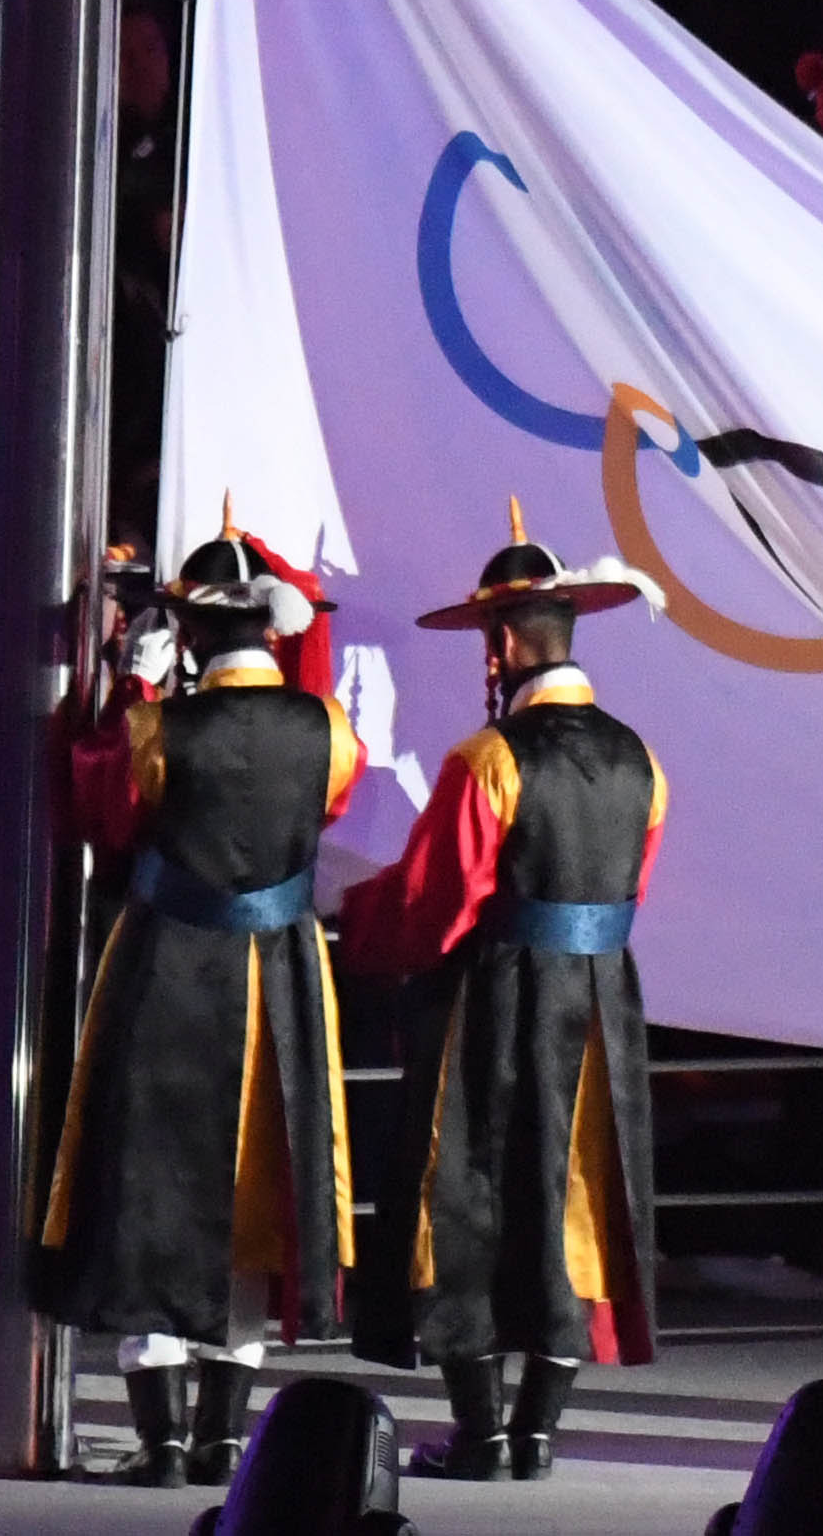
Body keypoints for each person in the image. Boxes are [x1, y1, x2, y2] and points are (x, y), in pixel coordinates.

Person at [337, 521, 669, 1482]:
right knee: (574, 1197)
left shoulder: (490, 758)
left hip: (498, 1000)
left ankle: (480, 1434)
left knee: (471, 1192)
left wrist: (356, 923)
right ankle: (536, 1434)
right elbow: (629, 886)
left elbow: (438, 906)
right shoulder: (642, 761)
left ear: (503, 646)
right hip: (600, 1007)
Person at [39, 530, 356, 1486]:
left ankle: (164, 1436)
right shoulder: (330, 729)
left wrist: (133, 696)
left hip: (172, 962)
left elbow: (104, 814)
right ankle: (225, 1432)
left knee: (154, 1182)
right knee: (258, 1187)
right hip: (282, 971)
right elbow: (324, 813)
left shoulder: (157, 730)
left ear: (188, 632)